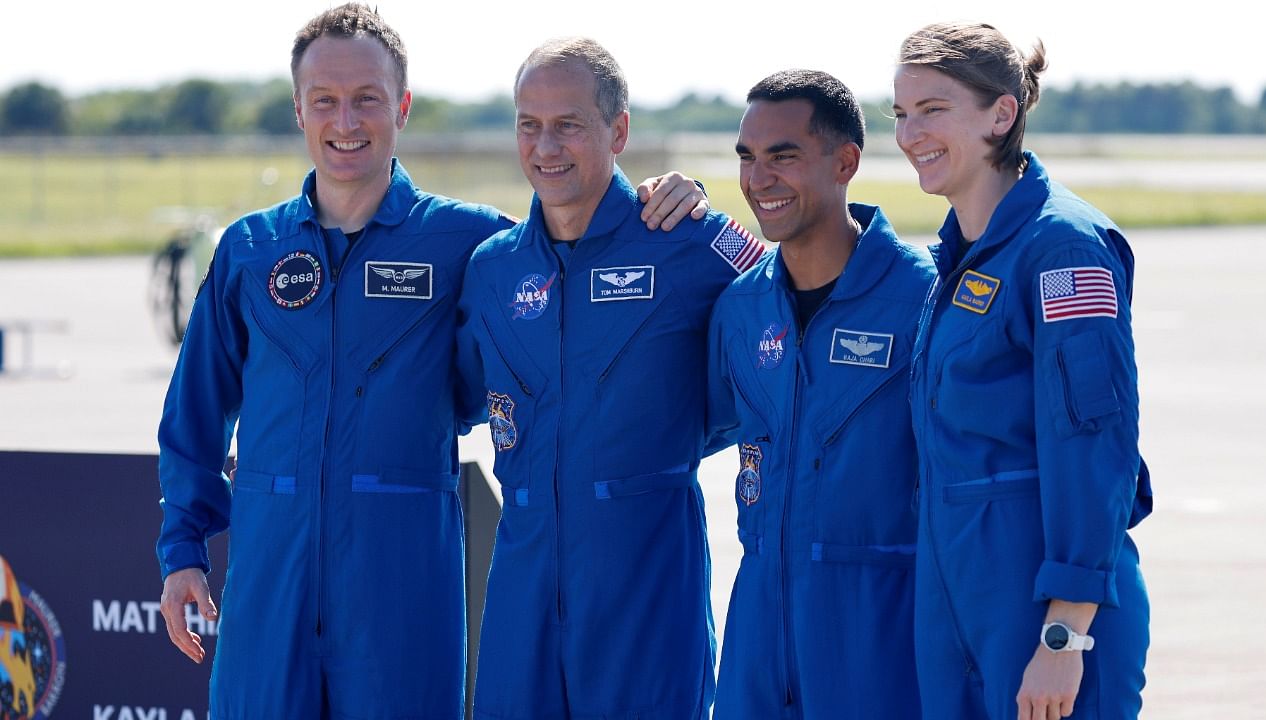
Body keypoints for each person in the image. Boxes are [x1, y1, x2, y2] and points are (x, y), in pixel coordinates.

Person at [153, 6, 707, 718]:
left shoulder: (470, 243)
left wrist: (660, 203)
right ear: (298, 109)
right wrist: (183, 549)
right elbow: (194, 413)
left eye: (367, 100)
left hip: (401, 594)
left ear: (402, 107)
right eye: (325, 100)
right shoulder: (249, 251)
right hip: (269, 587)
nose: (345, 121)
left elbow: (579, 259)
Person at [455, 38, 766, 720]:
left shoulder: (686, 241)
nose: (546, 146)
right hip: (523, 581)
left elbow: (798, 304)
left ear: (618, 130)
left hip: (647, 582)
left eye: (567, 124)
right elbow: (437, 395)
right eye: (528, 125)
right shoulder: (492, 268)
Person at [892, 22, 1153, 720]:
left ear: (1001, 114)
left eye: (933, 109)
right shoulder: (956, 261)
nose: (910, 133)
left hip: (1045, 620)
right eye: (901, 113)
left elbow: (1095, 445)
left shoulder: (1061, 247)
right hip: (960, 610)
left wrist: (1064, 636)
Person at [705, 69, 934, 719]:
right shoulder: (741, 307)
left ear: (845, 161)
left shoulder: (923, 299)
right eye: (747, 158)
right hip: (758, 632)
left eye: (784, 156)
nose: (758, 179)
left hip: (880, 634)